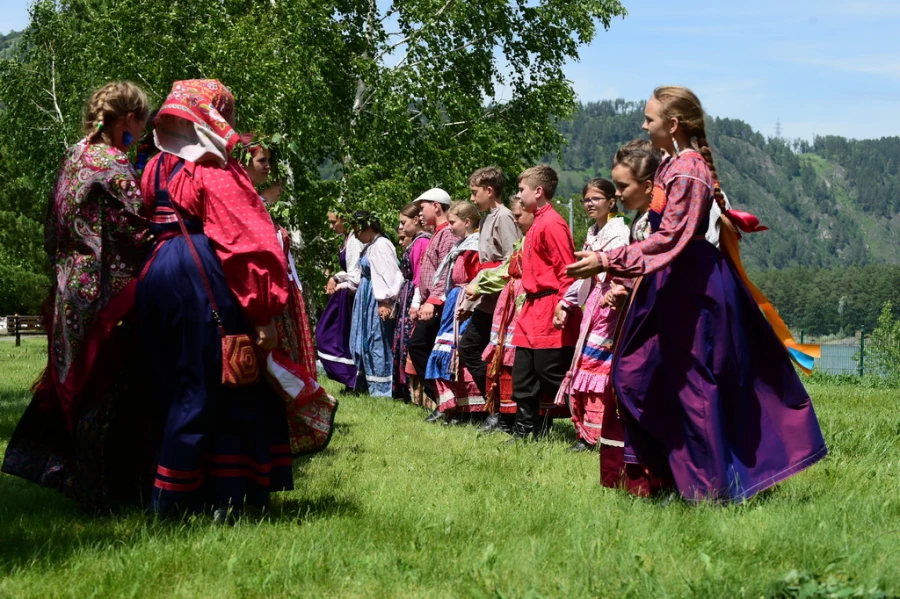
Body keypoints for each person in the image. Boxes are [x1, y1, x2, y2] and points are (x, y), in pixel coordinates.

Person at [567, 86, 826, 502]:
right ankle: (666, 475)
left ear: (672, 125)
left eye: (649, 119)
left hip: (691, 288)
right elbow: (656, 230)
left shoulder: (688, 172)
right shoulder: (672, 166)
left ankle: (707, 491)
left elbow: (672, 238)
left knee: (692, 384)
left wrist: (607, 260)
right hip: (668, 284)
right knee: (638, 374)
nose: (643, 125)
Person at [137, 79, 292, 519]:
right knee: (222, 382)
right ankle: (203, 500)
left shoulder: (153, 165)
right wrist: (263, 311)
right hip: (199, 272)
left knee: (176, 383)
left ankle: (175, 494)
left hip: (156, 271)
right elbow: (246, 241)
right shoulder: (212, 167)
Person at [2, 81, 152, 510]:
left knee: (78, 386)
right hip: (106, 297)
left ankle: (69, 476)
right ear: (127, 120)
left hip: (69, 290)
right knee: (107, 389)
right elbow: (138, 230)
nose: (140, 133)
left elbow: (51, 227)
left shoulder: (74, 156)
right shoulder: (113, 166)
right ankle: (101, 488)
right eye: (140, 123)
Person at [241, 133, 337, 456]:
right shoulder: (247, 204)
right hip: (264, 297)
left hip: (279, 296)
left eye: (269, 160)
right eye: (261, 161)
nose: (268, 167)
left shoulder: (256, 204)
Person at [553, 178, 630, 452]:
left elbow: (624, 270)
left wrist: (618, 291)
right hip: (595, 302)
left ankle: (595, 434)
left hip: (611, 305)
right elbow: (584, 274)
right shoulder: (594, 232)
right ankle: (584, 430)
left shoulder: (619, 233)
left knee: (596, 366)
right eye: (586, 199)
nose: (589, 204)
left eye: (596, 199)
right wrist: (568, 302)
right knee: (584, 363)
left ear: (612, 201)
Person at [509, 165, 581, 441]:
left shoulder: (552, 223)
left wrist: (564, 304)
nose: (519, 194)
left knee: (551, 372)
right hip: (531, 309)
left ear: (538, 192)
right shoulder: (537, 222)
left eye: (522, 189)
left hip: (550, 306)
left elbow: (567, 269)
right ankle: (526, 430)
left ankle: (587, 427)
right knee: (524, 374)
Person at [458, 167, 521, 429]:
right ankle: (495, 408)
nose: (472, 199)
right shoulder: (486, 219)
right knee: (472, 347)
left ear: (489, 190)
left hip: (499, 299)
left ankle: (501, 410)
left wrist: (482, 285)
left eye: (475, 193)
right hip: (486, 298)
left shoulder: (504, 217)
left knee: (478, 349)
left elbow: (512, 259)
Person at [472, 197, 533, 432]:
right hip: (507, 301)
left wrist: (479, 286)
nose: (515, 221)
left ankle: (515, 417)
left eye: (518, 216)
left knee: (514, 360)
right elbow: (507, 266)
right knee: (501, 358)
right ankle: (502, 414)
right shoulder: (523, 241)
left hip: (521, 302)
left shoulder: (529, 236)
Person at [425, 201, 484, 421]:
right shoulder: (461, 246)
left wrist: (467, 302)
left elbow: (477, 278)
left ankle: (469, 407)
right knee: (446, 350)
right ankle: (450, 404)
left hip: (466, 302)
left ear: (467, 222)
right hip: (455, 300)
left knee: (457, 352)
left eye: (453, 222)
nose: (449, 227)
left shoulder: (476, 247)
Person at [406, 188, 457, 422]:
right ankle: (443, 401)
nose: (420, 214)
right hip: (430, 302)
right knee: (420, 347)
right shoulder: (437, 233)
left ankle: (444, 400)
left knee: (421, 346)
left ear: (436, 206)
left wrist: (433, 301)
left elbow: (446, 272)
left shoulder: (447, 234)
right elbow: (426, 274)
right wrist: (419, 301)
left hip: (440, 303)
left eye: (423, 208)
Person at [348, 211, 404, 397]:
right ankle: (366, 383)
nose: (356, 235)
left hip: (376, 297)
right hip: (367, 296)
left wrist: (384, 301)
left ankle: (383, 388)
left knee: (378, 339)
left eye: (358, 231)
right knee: (367, 339)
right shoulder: (372, 245)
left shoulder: (381, 246)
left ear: (369, 228)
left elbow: (388, 274)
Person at [317, 211, 364, 393]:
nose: (331, 226)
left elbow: (355, 274)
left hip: (349, 295)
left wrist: (336, 278)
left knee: (333, 336)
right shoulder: (348, 238)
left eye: (333, 222)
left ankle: (352, 379)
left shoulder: (354, 241)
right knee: (336, 336)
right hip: (344, 294)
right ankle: (351, 379)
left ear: (345, 219)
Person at [393, 203, 432, 402]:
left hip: (415, 296)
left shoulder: (422, 243)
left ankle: (421, 394)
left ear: (416, 220)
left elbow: (419, 277)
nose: (401, 227)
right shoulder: (417, 242)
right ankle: (407, 391)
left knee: (413, 343)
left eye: (403, 222)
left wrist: (415, 303)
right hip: (409, 295)